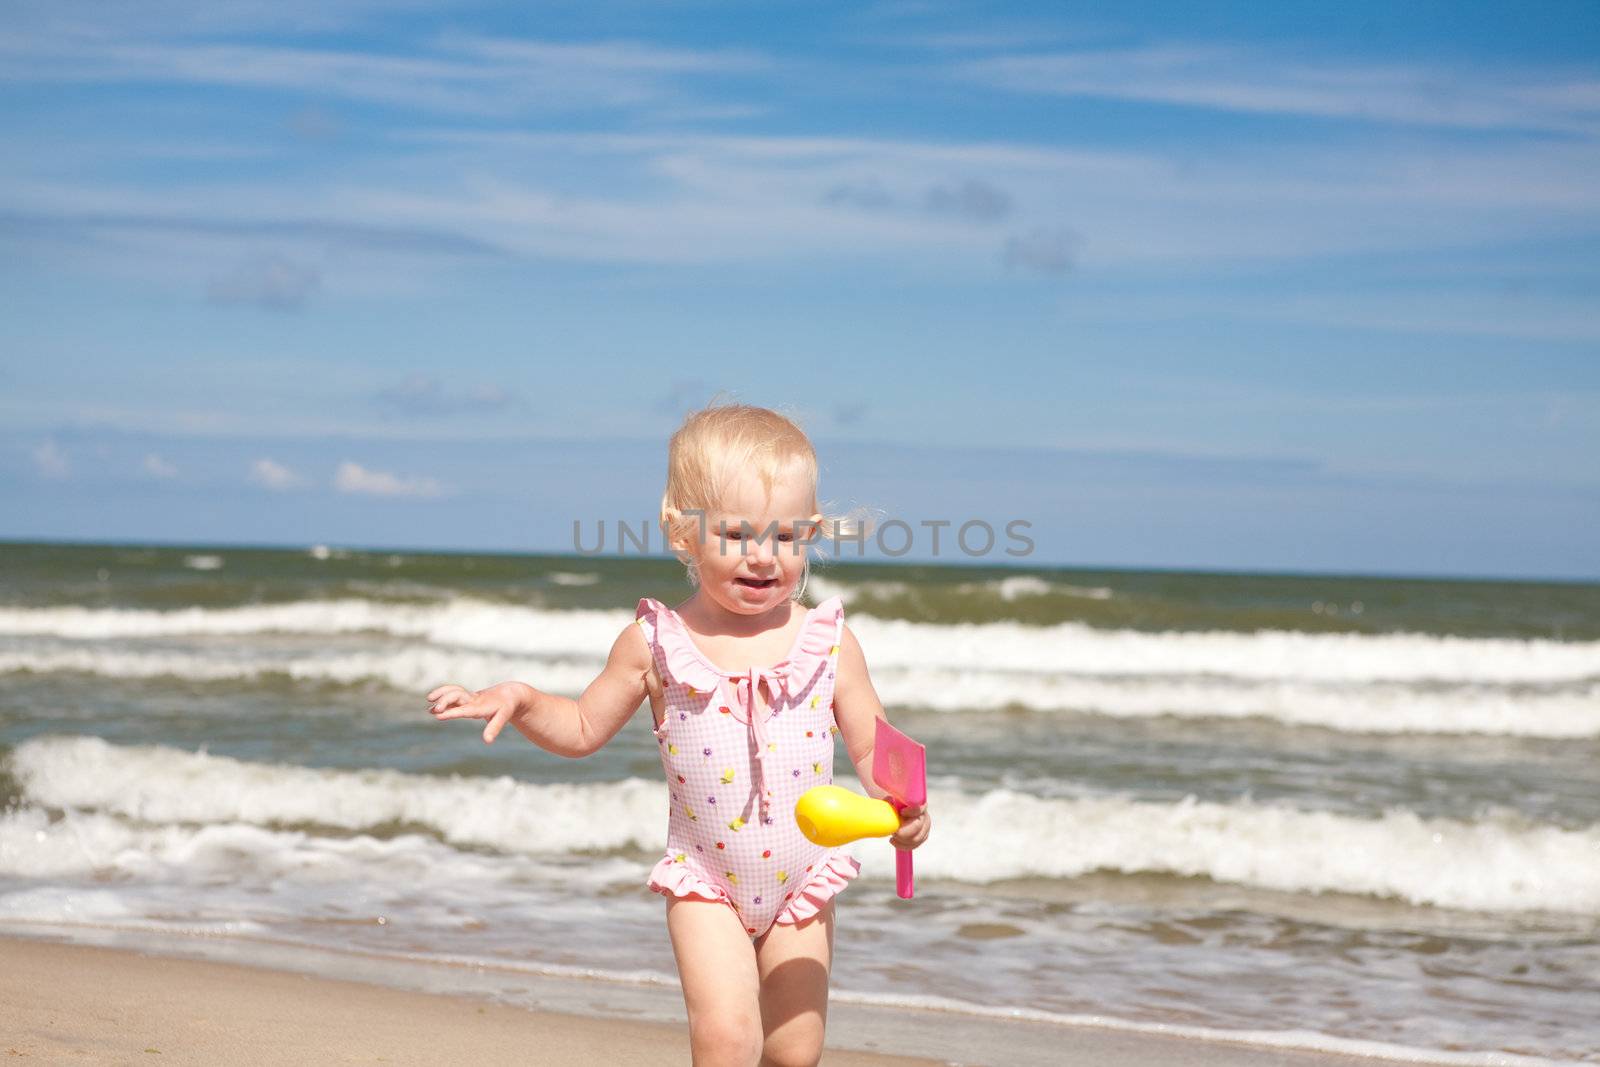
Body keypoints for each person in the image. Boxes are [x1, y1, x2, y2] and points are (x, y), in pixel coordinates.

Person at [426, 401, 931, 1067]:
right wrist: (521, 699)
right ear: (683, 533)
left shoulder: (828, 641)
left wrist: (901, 808)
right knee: (727, 1039)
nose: (763, 556)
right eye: (736, 534)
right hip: (707, 882)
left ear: (809, 534)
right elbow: (580, 728)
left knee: (795, 1049)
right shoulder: (655, 643)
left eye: (784, 537)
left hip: (802, 877)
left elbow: (870, 745)